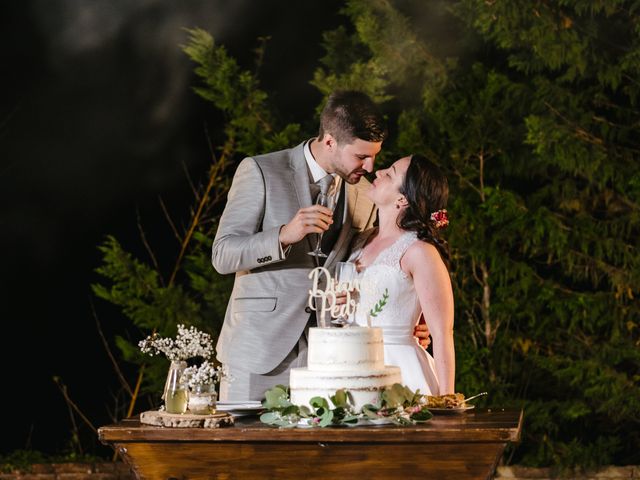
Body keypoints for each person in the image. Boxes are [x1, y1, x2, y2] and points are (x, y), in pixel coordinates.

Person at [211, 90, 387, 401]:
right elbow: (223, 255)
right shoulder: (261, 171)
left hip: (328, 358)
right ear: (330, 140)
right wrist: (283, 235)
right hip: (258, 353)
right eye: (361, 156)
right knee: (246, 450)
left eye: (374, 156)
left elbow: (363, 263)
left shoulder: (362, 191)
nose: (370, 167)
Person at [347, 154, 455, 395]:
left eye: (390, 173)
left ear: (402, 199)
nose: (378, 172)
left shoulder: (420, 251)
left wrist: (448, 401)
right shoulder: (359, 241)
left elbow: (442, 332)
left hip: (398, 371)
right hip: (347, 363)